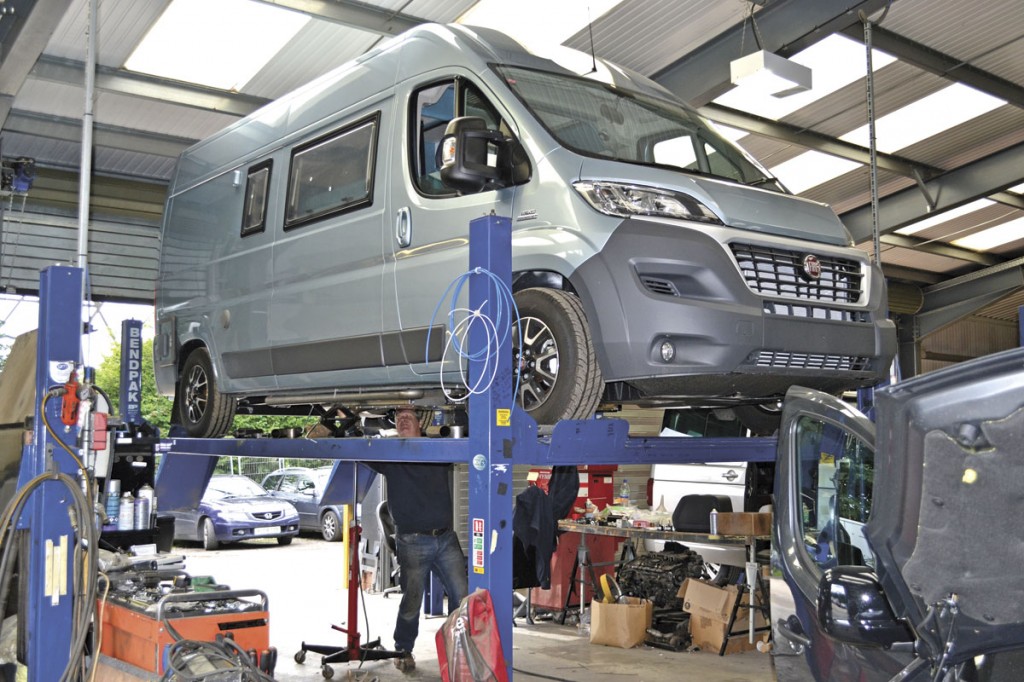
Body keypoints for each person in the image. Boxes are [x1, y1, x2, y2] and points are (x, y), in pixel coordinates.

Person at [368, 406, 469, 673]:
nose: (402, 421)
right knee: (412, 600)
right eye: (398, 418)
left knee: (463, 596)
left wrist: (461, 411)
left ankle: (459, 648)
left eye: (408, 417)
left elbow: (465, 438)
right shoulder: (390, 456)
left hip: (445, 537)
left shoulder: (437, 450)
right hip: (412, 542)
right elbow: (361, 448)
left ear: (419, 424)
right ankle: (403, 649)